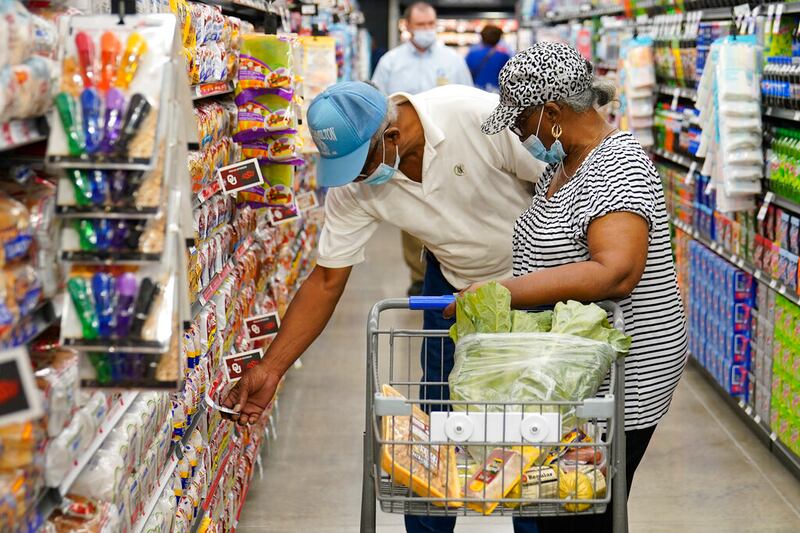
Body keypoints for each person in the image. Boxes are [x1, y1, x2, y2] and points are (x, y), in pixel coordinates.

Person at [221, 80, 544, 533]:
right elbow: (327, 280)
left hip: (539, 281)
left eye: (359, 165)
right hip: (453, 288)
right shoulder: (357, 188)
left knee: (537, 424)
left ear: (391, 137)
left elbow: (561, 179)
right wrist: (272, 368)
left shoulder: (476, 116)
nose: (354, 179)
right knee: (437, 422)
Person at [450, 42, 689, 532]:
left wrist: (501, 292)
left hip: (624, 375)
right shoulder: (560, 166)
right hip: (573, 371)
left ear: (553, 113)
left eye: (520, 121)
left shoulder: (618, 165)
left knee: (581, 511)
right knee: (558, 504)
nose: (518, 134)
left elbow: (616, 272)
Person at [371, 1, 474, 297]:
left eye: (431, 24)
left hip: (448, 143)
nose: (427, 30)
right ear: (408, 26)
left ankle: (453, 268)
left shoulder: (452, 60)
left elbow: (468, 96)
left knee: (451, 204)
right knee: (413, 209)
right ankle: (419, 275)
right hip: (404, 146)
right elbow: (379, 101)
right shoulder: (391, 62)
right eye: (421, 25)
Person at [465, 24, 512, 93]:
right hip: (496, 94)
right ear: (498, 39)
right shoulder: (504, 56)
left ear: (482, 37)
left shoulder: (472, 55)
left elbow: (466, 75)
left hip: (476, 92)